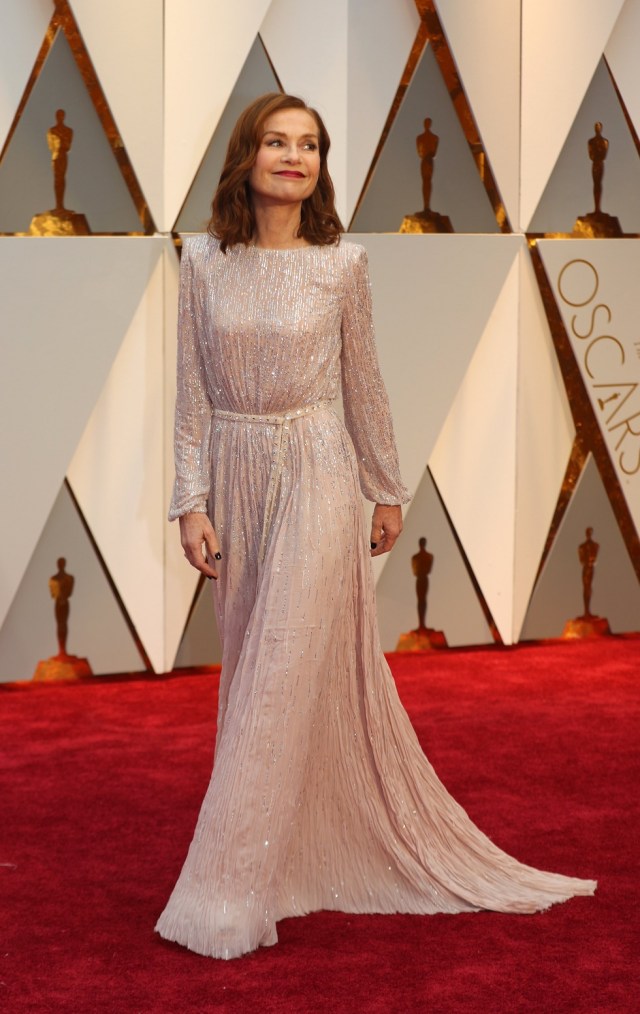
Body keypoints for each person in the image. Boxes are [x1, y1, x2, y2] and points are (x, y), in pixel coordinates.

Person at [155, 93, 596, 960]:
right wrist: (190, 501)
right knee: (253, 681)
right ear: (246, 156)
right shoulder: (202, 263)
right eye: (277, 142)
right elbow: (191, 395)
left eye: (311, 145)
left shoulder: (342, 265)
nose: (295, 157)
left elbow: (365, 384)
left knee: (280, 672)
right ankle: (288, 866)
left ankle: (224, 898)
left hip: (320, 471)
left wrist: (385, 487)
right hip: (238, 480)